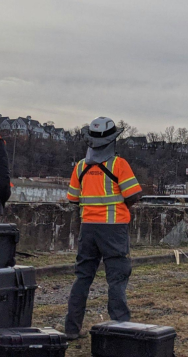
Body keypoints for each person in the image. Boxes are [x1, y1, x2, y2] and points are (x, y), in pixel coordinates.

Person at [64, 116, 143, 340]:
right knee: (116, 279)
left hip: (88, 229)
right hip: (114, 229)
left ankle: (71, 328)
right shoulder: (119, 165)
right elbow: (133, 194)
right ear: (112, 141)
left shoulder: (80, 166)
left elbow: (73, 199)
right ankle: (120, 329)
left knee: (83, 278)